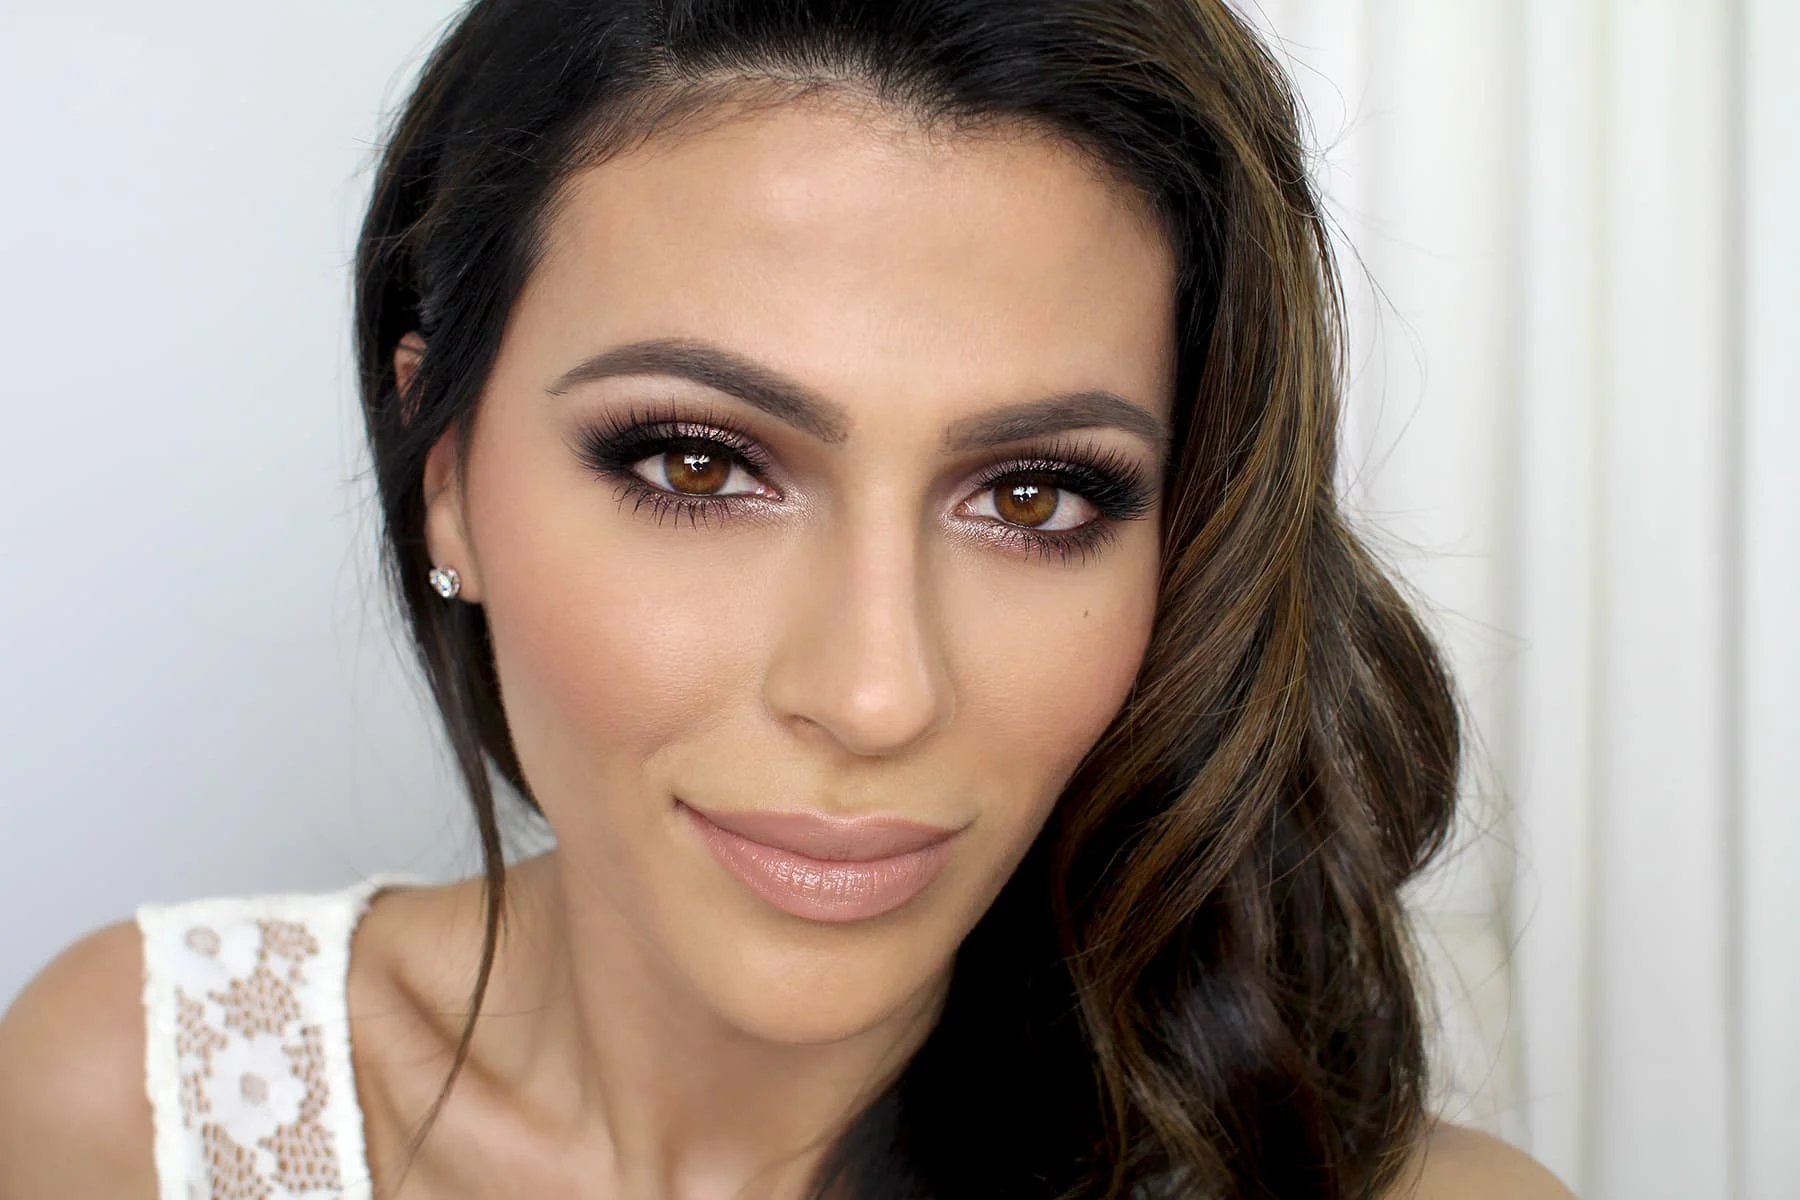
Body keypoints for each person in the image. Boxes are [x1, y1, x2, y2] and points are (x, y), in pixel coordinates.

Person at [0, 1, 1576, 1196]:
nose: (877, 692)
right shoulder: (136, 1107)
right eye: (697, 466)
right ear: (448, 470)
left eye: (1034, 497)